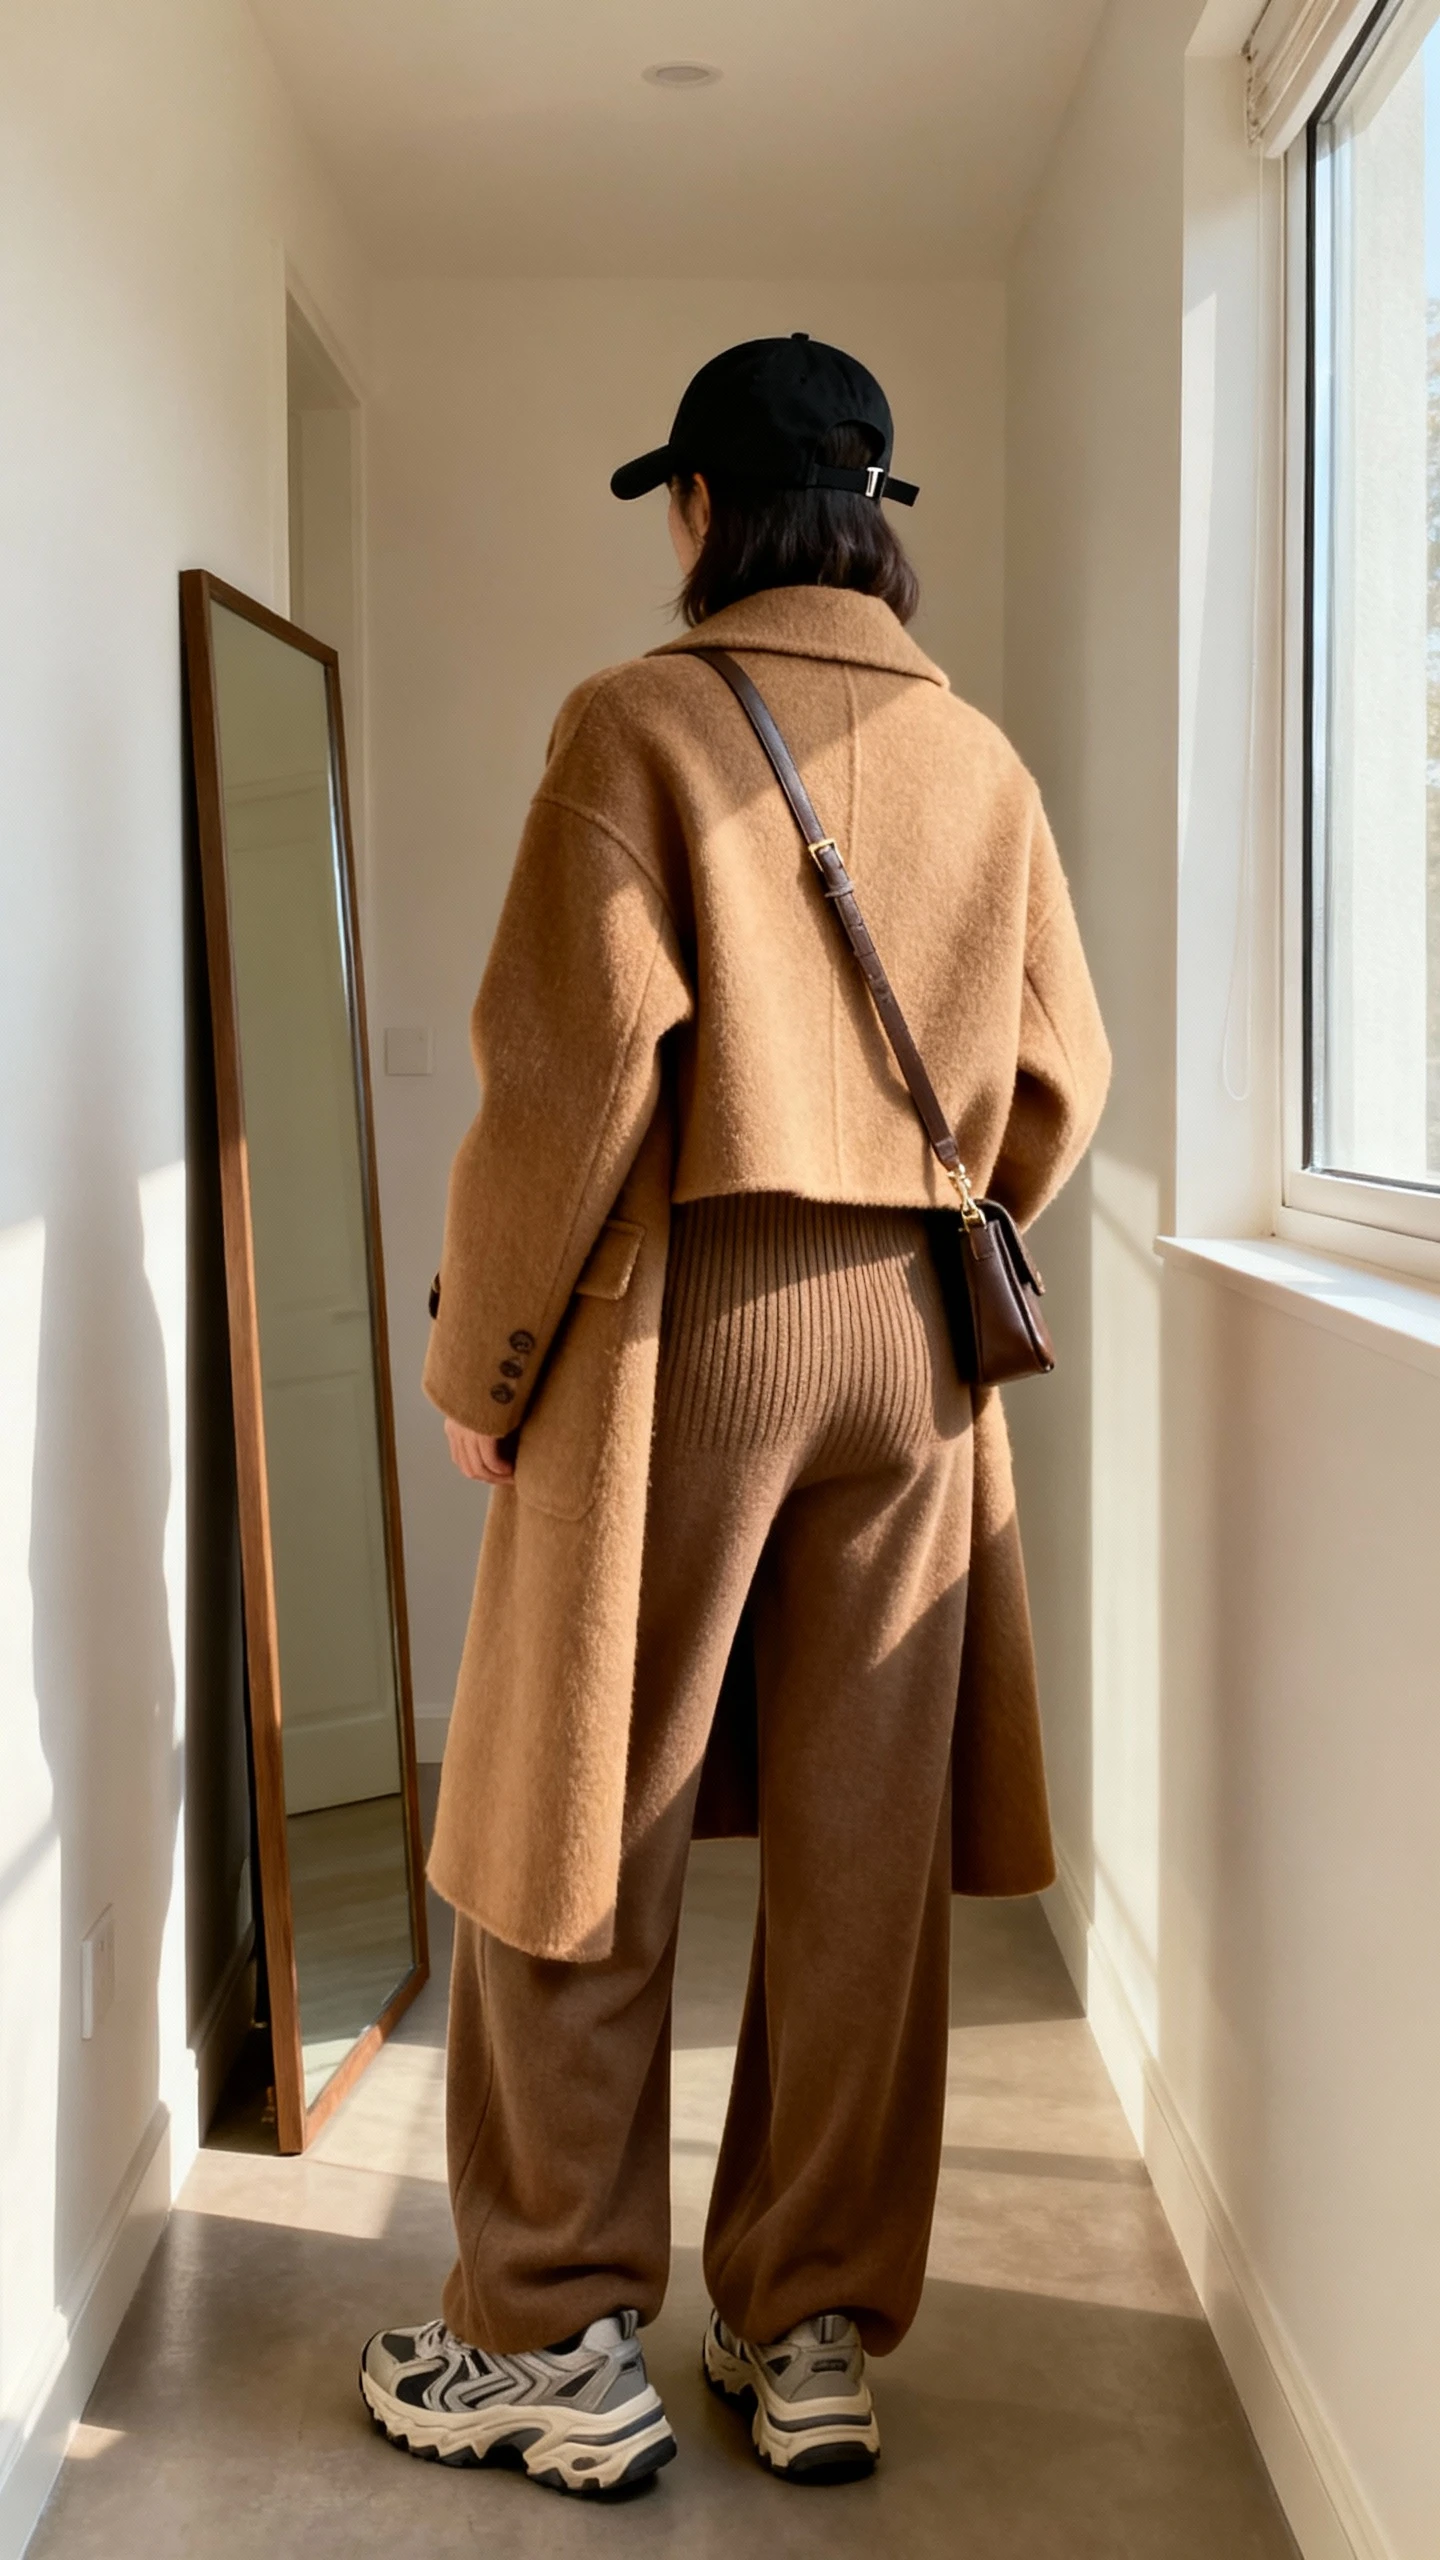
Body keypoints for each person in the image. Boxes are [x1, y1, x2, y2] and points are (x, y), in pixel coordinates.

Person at [360, 334, 1110, 2497]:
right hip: (915, 1358)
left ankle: (550, 2329)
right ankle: (810, 2329)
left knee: (570, 1816)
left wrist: (486, 1361)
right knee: (862, 1863)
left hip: (682, 1327)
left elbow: (566, 1078)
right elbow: (1061, 1072)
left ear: (703, 507)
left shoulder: (640, 722)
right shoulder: (981, 761)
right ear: (874, 519)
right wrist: (931, 1217)